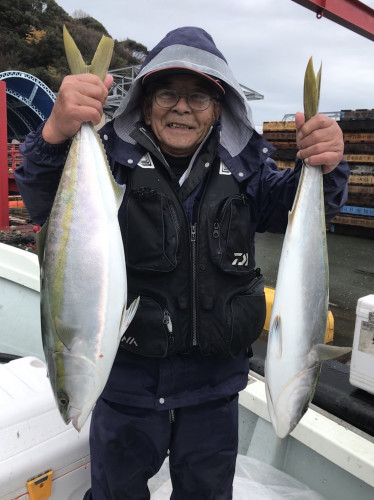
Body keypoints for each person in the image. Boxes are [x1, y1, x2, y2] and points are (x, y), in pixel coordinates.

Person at [15, 27, 349, 500]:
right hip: (127, 383)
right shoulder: (108, 161)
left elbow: (304, 207)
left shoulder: (249, 171)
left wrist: (327, 164)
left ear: (219, 108)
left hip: (213, 390)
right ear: (145, 103)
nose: (182, 107)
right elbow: (43, 197)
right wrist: (54, 134)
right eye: (167, 93)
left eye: (198, 97)